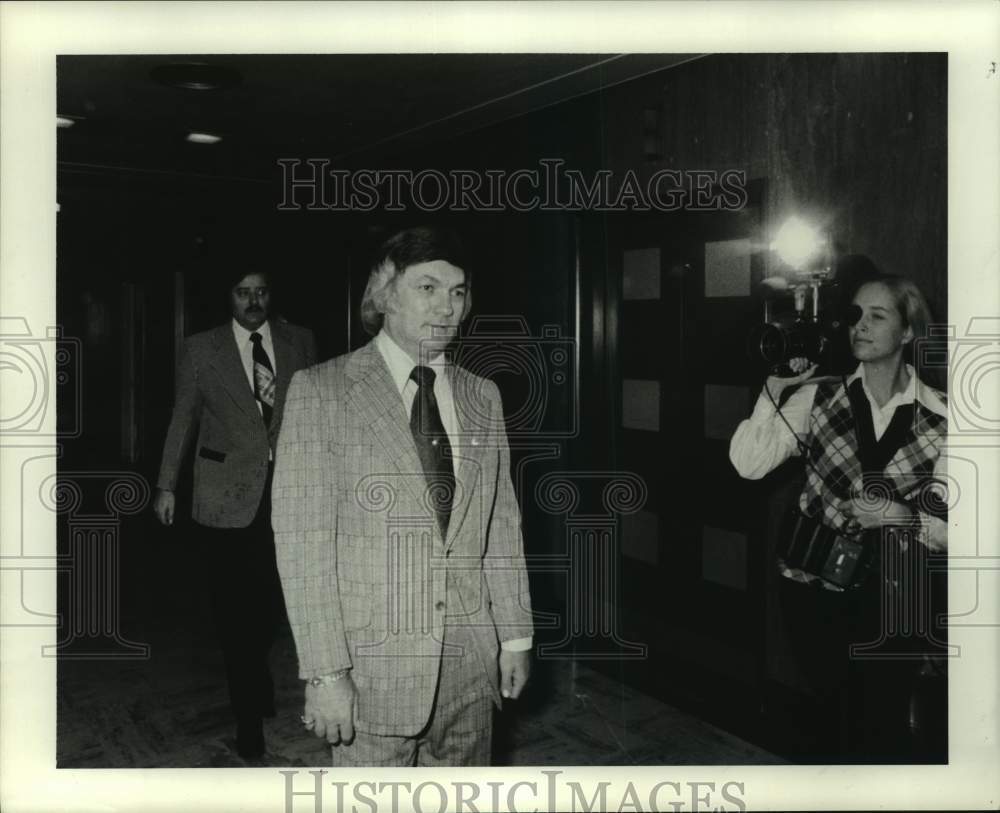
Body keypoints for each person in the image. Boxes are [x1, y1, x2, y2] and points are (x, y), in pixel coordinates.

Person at [271, 226, 533, 767]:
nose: (448, 308)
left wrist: (515, 635)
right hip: (371, 673)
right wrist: (325, 673)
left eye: (458, 292)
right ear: (385, 293)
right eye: (428, 288)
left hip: (470, 665)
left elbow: (501, 527)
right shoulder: (321, 391)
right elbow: (303, 548)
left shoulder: (484, 395)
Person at [730, 273, 948, 762]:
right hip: (812, 587)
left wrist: (900, 517)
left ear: (908, 332)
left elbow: (961, 531)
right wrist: (772, 392)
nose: (861, 327)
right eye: (855, 316)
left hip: (894, 595)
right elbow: (748, 464)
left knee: (884, 721)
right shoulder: (819, 398)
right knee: (834, 716)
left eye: (878, 316)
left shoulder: (942, 419)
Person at [153, 268, 317, 759]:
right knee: (234, 614)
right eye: (243, 293)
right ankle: (248, 716)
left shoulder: (300, 341)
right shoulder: (202, 348)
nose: (253, 301)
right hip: (224, 496)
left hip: (286, 494)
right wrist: (166, 485)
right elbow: (183, 417)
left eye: (262, 291)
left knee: (269, 607)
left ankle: (256, 670)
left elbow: (315, 412)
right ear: (228, 296)